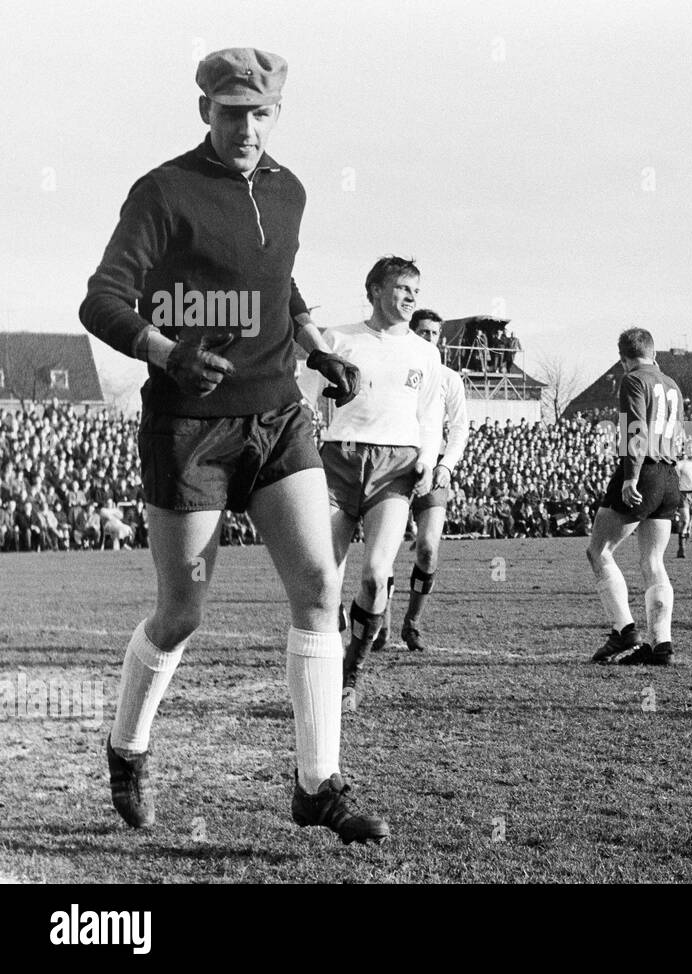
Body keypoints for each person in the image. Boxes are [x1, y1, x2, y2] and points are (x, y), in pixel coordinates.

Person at [78, 48, 388, 843]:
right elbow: (101, 299)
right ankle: (127, 747)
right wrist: (166, 350)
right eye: (229, 112)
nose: (245, 127)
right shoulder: (164, 191)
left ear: (277, 112)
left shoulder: (289, 190)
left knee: (320, 584)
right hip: (189, 426)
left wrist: (315, 347)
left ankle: (317, 784)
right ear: (205, 111)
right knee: (182, 612)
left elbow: (278, 279)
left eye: (260, 113)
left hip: (278, 415)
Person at [302, 260, 452, 708]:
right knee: (323, 578)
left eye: (416, 290)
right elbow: (303, 395)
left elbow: (430, 415)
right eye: (402, 288)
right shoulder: (338, 339)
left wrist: (428, 460)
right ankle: (328, 666)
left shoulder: (425, 353)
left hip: (395, 467)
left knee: (375, 575)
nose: (410, 298)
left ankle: (352, 672)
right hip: (339, 459)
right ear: (374, 290)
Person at [587, 328, 682, 666]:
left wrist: (630, 477)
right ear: (654, 354)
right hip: (671, 476)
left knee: (599, 551)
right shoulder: (672, 383)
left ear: (622, 357)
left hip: (644, 471)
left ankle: (624, 629)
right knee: (653, 562)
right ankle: (662, 645)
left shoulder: (632, 380)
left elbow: (635, 430)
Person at [378, 307, 469, 652]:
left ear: (440, 338)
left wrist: (446, 466)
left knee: (428, 549)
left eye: (434, 334)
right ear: (411, 333)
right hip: (395, 467)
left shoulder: (450, 378)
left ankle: (411, 624)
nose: (429, 339)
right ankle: (379, 624)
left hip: (435, 471)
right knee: (383, 552)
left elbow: (459, 428)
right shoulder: (399, 370)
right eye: (423, 332)